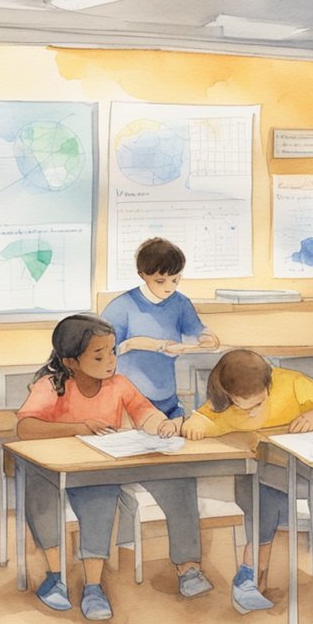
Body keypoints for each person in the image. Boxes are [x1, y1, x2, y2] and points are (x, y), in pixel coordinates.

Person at [16, 314, 171, 620]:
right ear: (71, 361)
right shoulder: (52, 385)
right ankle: (55, 576)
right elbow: (26, 428)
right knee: (41, 493)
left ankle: (93, 585)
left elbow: (144, 411)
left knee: (101, 497)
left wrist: (161, 424)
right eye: (99, 355)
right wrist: (79, 427)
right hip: (50, 469)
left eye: (112, 352)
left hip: (94, 468)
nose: (110, 361)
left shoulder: (119, 385)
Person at [102, 237, 218, 598]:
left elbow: (199, 330)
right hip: (126, 410)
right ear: (143, 275)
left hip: (167, 406)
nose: (169, 288)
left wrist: (208, 337)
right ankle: (110, 559)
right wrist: (142, 343)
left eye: (175, 280)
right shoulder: (120, 308)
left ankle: (188, 566)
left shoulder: (179, 303)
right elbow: (103, 355)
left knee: (181, 480)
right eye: (161, 281)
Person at [181, 349, 313, 613]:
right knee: (260, 494)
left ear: (268, 383)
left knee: (264, 493)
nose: (252, 414)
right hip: (265, 474)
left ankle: (249, 575)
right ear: (227, 397)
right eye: (244, 406)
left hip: (307, 465)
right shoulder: (222, 405)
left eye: (259, 403)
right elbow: (202, 421)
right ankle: (251, 574)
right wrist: (193, 425)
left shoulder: (292, 383)